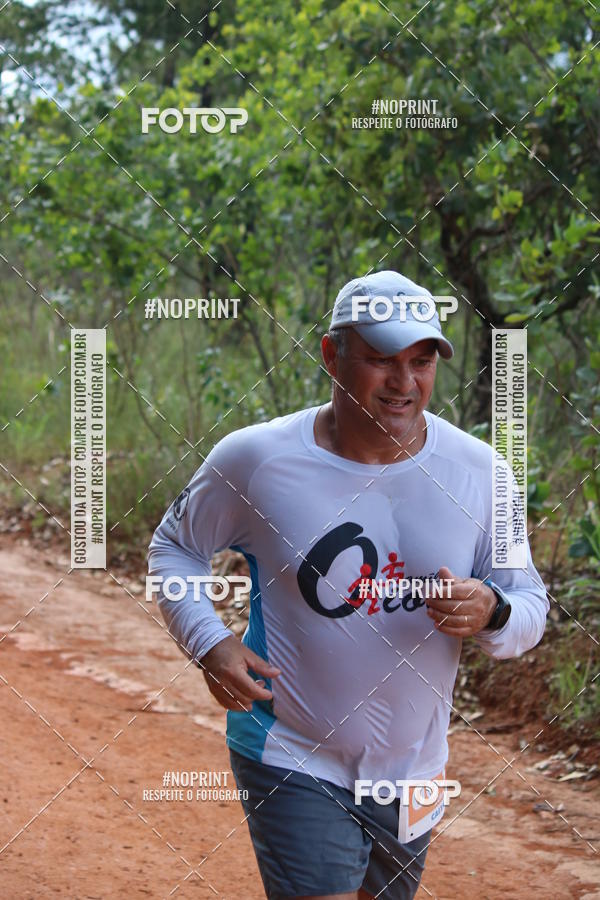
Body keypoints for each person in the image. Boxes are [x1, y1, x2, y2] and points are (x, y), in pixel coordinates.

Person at [148, 270, 548, 900]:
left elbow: (529, 605)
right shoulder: (257, 460)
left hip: (414, 773)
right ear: (332, 355)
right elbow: (174, 548)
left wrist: (492, 610)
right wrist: (209, 641)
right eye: (381, 360)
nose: (404, 383)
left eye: (421, 361)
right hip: (291, 751)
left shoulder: (482, 474)